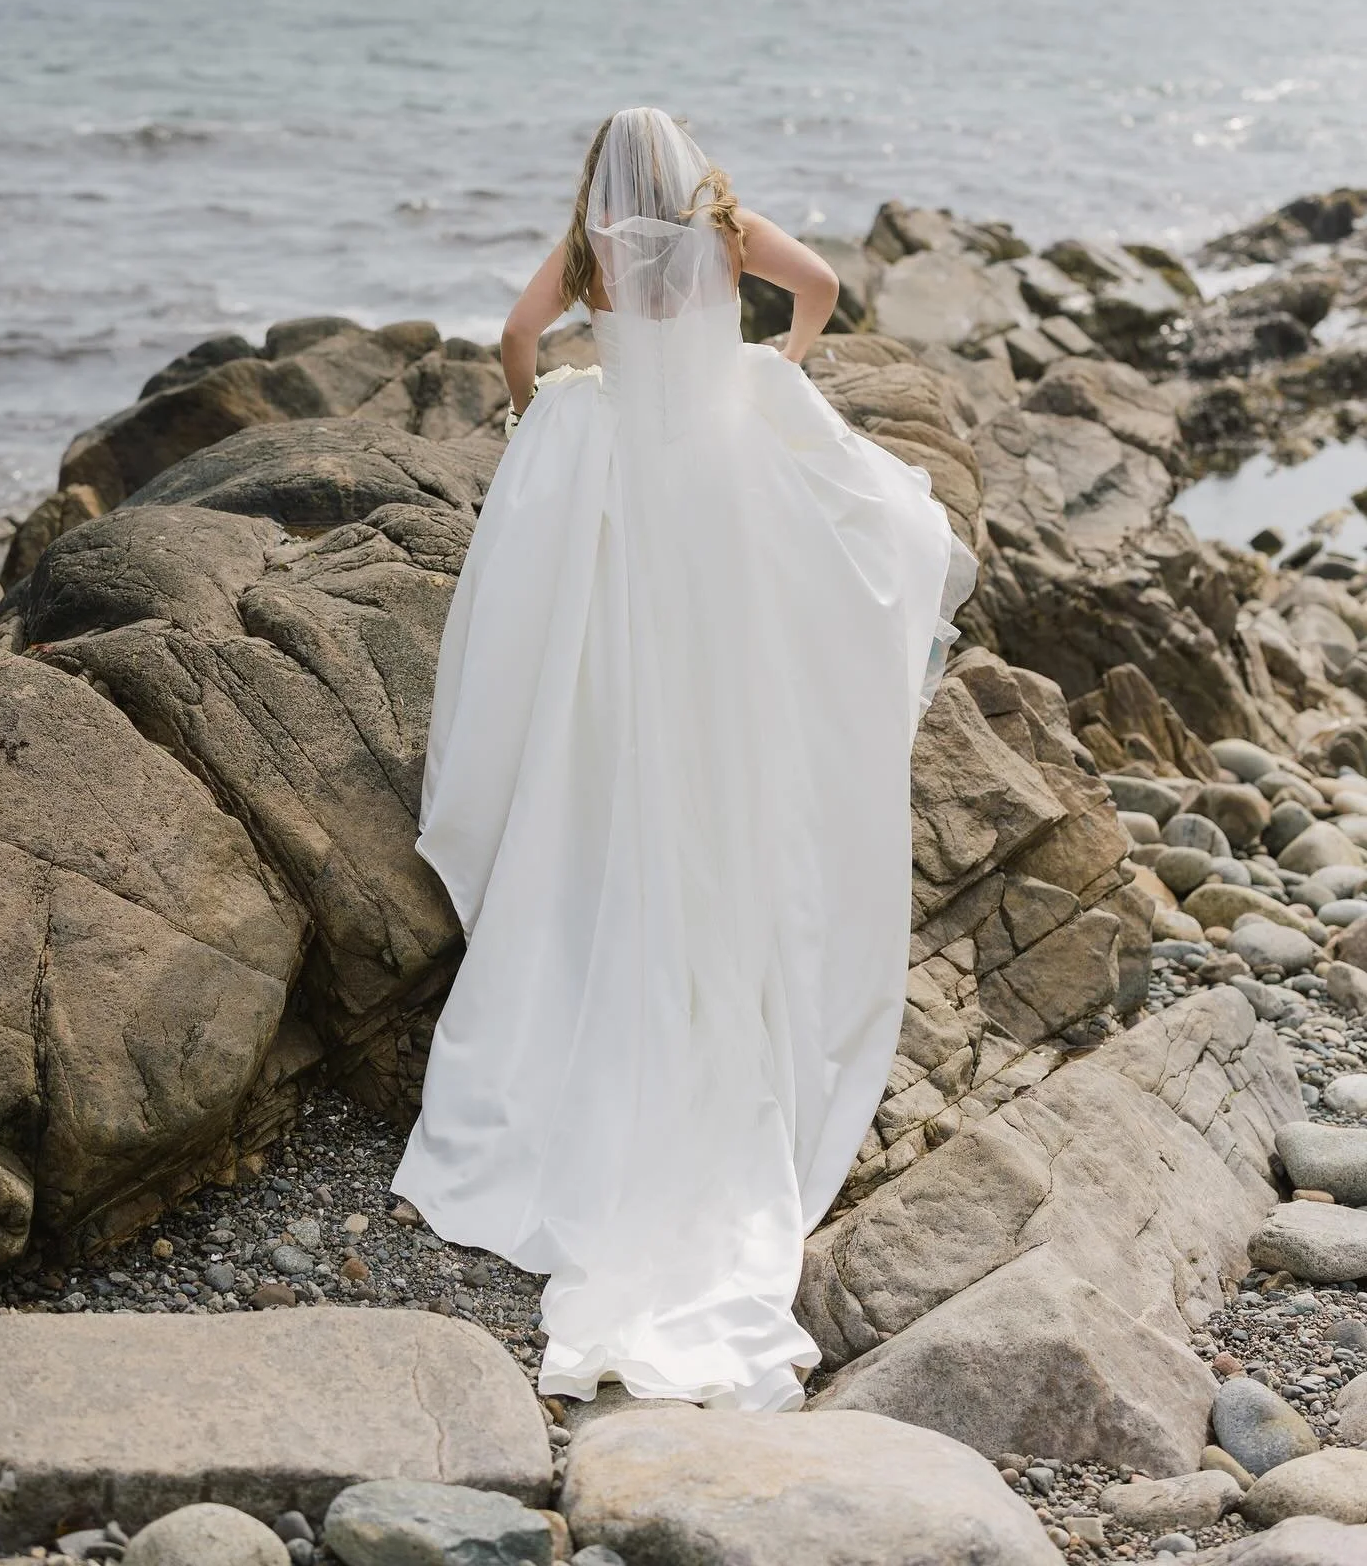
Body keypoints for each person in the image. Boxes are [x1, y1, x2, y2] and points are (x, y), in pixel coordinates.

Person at [392, 107, 976, 1412]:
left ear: (604, 177)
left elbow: (513, 341)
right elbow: (819, 289)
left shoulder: (592, 249)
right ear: (685, 162)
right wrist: (775, 367)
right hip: (719, 478)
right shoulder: (723, 225)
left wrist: (549, 408)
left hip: (632, 488)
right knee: (746, 681)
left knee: (622, 690)